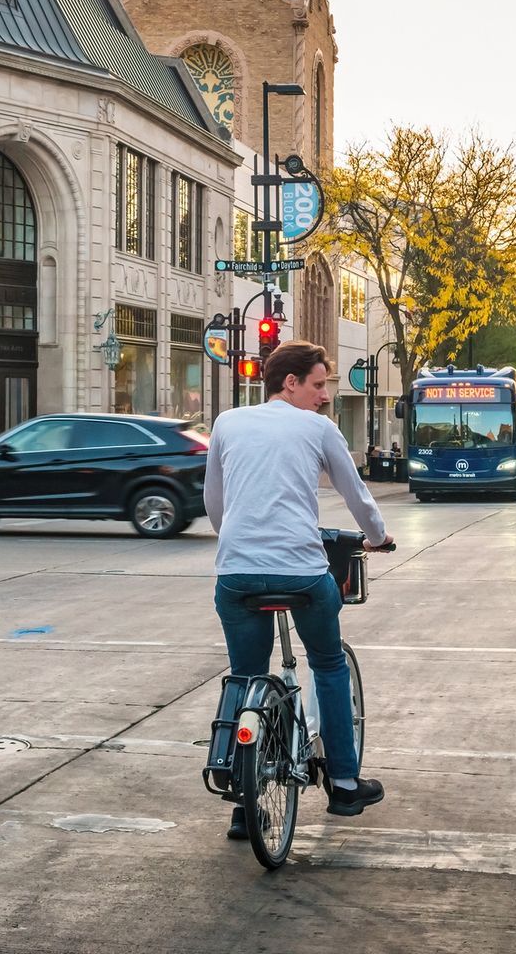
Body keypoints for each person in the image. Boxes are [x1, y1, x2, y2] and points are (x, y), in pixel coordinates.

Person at [206, 340, 392, 840]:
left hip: (237, 573)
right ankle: (345, 783)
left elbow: (215, 499)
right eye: (318, 384)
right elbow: (356, 493)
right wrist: (379, 538)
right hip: (303, 575)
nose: (325, 396)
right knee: (328, 663)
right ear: (290, 383)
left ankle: (240, 793)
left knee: (246, 675)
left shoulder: (227, 422)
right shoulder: (318, 428)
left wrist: (237, 541)